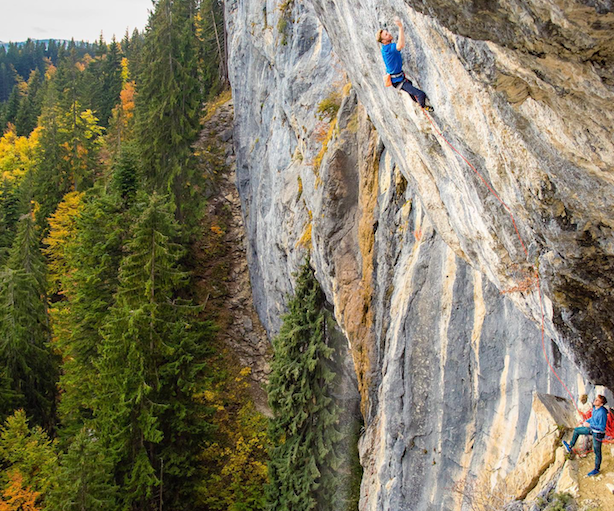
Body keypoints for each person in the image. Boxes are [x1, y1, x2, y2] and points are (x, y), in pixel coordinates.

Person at [376, 18, 433, 112]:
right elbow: (400, 45)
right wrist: (400, 27)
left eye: (387, 32)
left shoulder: (385, 48)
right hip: (398, 81)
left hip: (398, 78)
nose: (389, 34)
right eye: (386, 35)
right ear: (383, 41)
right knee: (420, 94)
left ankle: (419, 103)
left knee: (411, 88)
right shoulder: (389, 49)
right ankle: (423, 107)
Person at [563, 394, 608, 476]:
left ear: (601, 404)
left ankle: (596, 469)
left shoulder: (602, 413)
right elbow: (593, 418)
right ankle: (570, 447)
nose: (595, 400)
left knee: (597, 452)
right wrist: (586, 422)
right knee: (577, 430)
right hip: (592, 429)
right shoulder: (595, 409)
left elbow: (602, 427)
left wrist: (589, 425)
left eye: (597, 400)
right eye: (596, 399)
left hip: (597, 434)